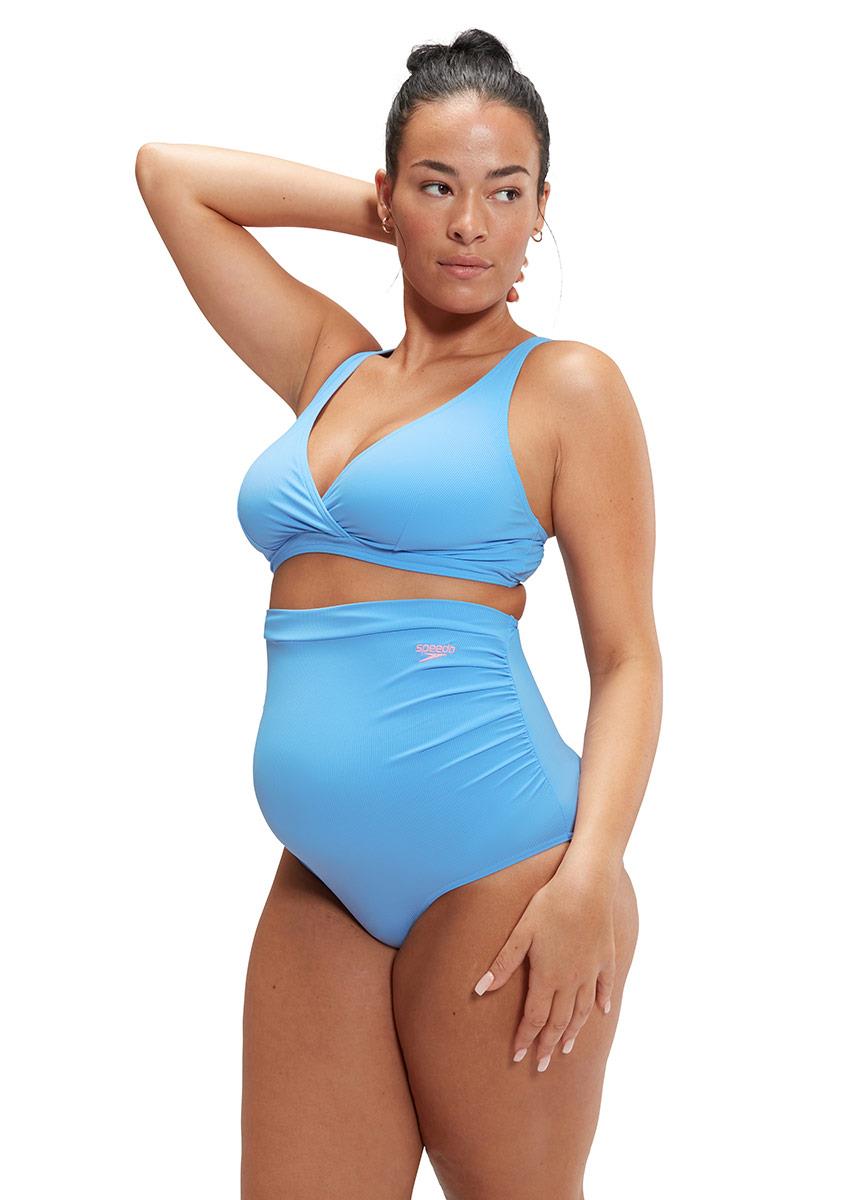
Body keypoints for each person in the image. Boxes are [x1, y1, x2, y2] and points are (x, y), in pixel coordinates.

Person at [135, 26, 662, 1200]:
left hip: (506, 871)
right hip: (323, 879)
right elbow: (169, 176)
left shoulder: (566, 386)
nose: (470, 223)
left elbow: (627, 658)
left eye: (504, 192)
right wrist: (374, 209)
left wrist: (588, 879)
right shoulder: (328, 364)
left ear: (541, 212)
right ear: (390, 196)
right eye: (437, 188)